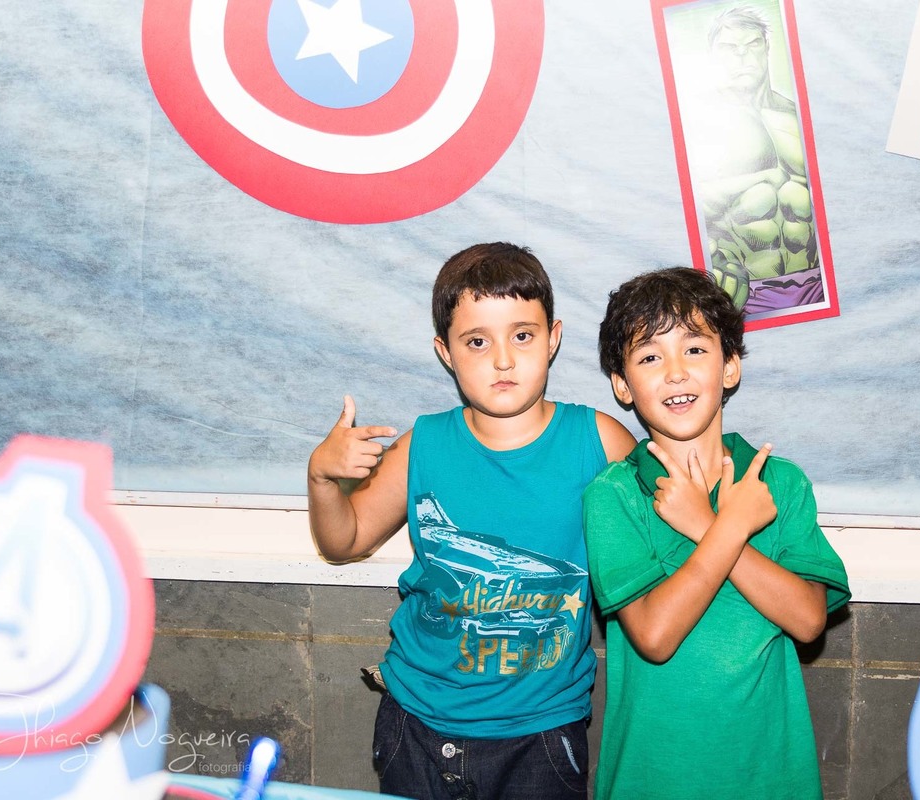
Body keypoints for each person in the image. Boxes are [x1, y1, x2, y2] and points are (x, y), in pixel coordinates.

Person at [306, 242, 634, 800]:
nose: (502, 360)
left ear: (553, 338)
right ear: (446, 352)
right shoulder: (423, 445)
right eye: (477, 341)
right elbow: (344, 541)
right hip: (417, 723)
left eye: (522, 335)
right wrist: (322, 478)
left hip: (541, 735)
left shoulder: (599, 442)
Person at [583, 267, 849, 799]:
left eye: (695, 350)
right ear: (622, 385)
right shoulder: (614, 495)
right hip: (652, 780)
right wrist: (729, 526)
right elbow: (655, 637)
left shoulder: (778, 483)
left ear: (729, 367)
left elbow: (807, 620)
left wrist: (706, 524)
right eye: (650, 357)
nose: (675, 373)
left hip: (770, 781)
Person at [686, 6, 823, 316]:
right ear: (713, 56)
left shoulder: (798, 116)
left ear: (767, 48)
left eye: (752, 44)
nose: (743, 56)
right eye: (729, 48)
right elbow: (694, 207)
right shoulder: (699, 125)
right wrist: (762, 178)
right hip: (744, 296)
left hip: (816, 283)